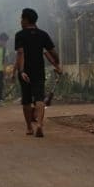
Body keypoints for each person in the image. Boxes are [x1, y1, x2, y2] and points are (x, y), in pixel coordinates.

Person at [14, 8, 61, 138]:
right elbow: (51, 52)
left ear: (25, 20)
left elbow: (20, 53)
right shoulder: (43, 34)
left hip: (26, 72)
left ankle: (29, 127)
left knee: (27, 100)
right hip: (39, 71)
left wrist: (21, 70)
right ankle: (39, 124)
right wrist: (57, 64)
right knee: (39, 98)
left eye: (21, 18)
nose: (20, 21)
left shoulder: (20, 35)